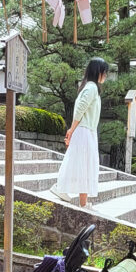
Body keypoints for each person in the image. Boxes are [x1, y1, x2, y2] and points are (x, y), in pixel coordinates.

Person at [52, 57, 107, 209]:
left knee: (85, 164)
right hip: (84, 131)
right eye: (105, 72)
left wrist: (72, 130)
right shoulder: (91, 88)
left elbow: (80, 110)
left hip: (86, 130)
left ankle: (83, 202)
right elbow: (80, 110)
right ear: (98, 72)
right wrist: (71, 130)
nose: (106, 76)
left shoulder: (90, 87)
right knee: (83, 163)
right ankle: (61, 188)